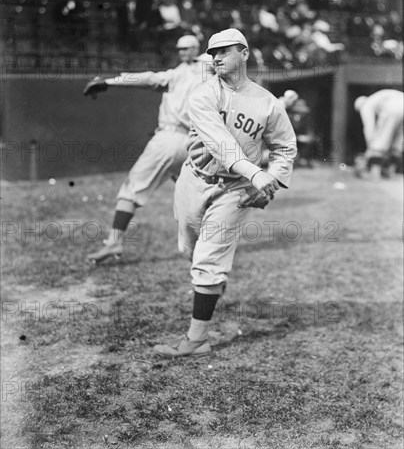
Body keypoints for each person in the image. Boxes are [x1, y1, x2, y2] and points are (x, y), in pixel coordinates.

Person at [153, 29, 297, 357]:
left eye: (224, 50)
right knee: (187, 246)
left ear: (244, 53)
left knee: (208, 261)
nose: (216, 57)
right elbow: (221, 144)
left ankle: (197, 339)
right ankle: (212, 284)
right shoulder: (203, 94)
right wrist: (257, 173)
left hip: (236, 190)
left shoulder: (267, 103)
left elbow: (286, 146)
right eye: (212, 51)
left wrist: (270, 180)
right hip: (194, 177)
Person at [83, 35, 213, 263]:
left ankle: (114, 242)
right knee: (194, 198)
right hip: (193, 143)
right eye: (180, 49)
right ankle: (204, 249)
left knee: (130, 191)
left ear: (194, 49)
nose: (182, 53)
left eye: (186, 49)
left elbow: (145, 78)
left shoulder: (178, 73)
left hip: (169, 138)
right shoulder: (211, 72)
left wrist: (109, 81)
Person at [354, 89, 403, 179]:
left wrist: (371, 146)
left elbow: (369, 128)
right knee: (398, 144)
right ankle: (390, 172)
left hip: (392, 108)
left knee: (380, 142)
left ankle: (375, 173)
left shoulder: (366, 105)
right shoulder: (377, 97)